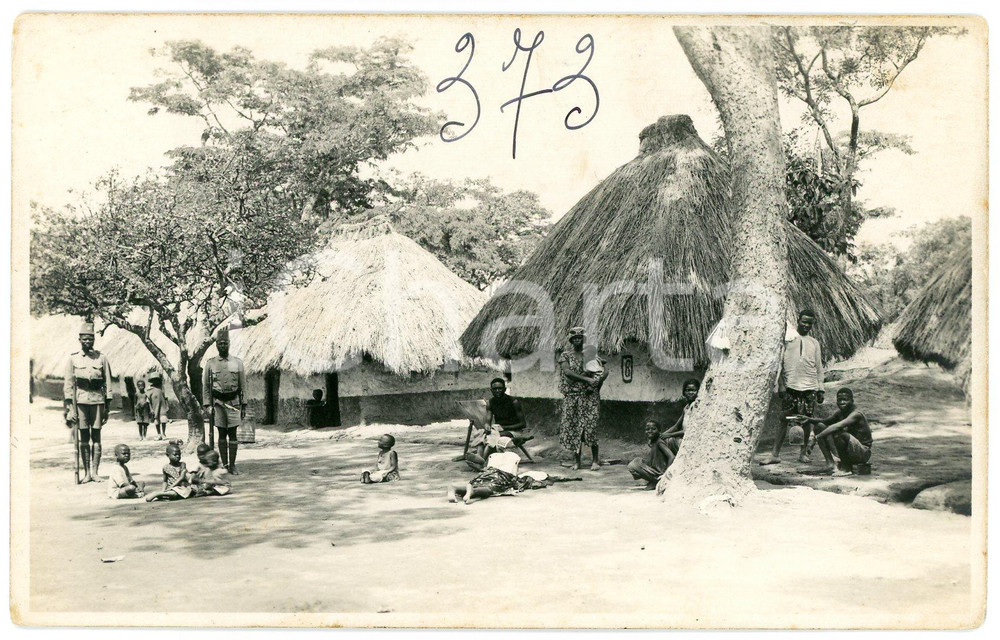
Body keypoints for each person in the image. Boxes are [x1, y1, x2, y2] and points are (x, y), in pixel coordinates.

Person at [761, 310, 829, 467]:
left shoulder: (814, 343)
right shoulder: (787, 340)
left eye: (809, 323)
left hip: (810, 387)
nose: (806, 325)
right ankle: (775, 455)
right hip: (791, 386)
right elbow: (778, 364)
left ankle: (803, 453)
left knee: (806, 422)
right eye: (804, 321)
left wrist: (820, 388)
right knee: (784, 419)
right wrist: (781, 384)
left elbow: (819, 367)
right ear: (798, 320)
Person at [64, 321, 113, 483]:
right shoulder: (73, 359)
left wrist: (107, 408)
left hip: (98, 401)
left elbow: (108, 383)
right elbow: (69, 386)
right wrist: (71, 409)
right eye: (85, 339)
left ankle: (95, 472)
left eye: (90, 339)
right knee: (84, 437)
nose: (88, 341)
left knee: (97, 437)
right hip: (81, 402)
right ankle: (86, 474)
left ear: (94, 340)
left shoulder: (102, 358)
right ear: (80, 340)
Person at [558, 327, 608, 471]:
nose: (577, 340)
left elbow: (604, 371)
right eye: (575, 338)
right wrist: (586, 379)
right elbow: (567, 372)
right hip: (572, 397)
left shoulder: (591, 354)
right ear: (571, 340)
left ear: (583, 339)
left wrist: (595, 385)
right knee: (574, 428)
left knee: (591, 427)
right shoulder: (566, 355)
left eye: (580, 337)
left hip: (589, 397)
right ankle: (577, 462)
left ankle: (595, 461)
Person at [202, 329, 247, 475]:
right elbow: (206, 387)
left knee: (232, 434)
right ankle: (225, 464)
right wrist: (207, 405)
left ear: (229, 344)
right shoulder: (211, 364)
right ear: (216, 345)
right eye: (220, 344)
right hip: (218, 403)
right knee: (221, 433)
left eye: (225, 343)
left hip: (233, 402)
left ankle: (232, 465)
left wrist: (243, 404)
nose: (223, 346)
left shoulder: (237, 363)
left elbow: (243, 385)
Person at [803, 388, 873, 476]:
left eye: (845, 400)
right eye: (840, 400)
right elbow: (826, 421)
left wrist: (816, 438)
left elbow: (838, 426)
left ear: (852, 400)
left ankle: (846, 469)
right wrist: (808, 419)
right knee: (819, 427)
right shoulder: (840, 412)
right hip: (848, 450)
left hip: (862, 453)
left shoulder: (856, 414)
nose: (842, 402)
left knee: (841, 434)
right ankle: (830, 464)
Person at [447, 450, 542, 504]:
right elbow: (513, 475)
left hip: (488, 472)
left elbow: (485, 468)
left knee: (477, 483)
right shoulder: (513, 458)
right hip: (500, 476)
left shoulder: (494, 456)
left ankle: (455, 488)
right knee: (489, 489)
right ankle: (472, 492)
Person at [627, 420, 677, 488]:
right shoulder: (654, 441)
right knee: (637, 461)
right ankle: (653, 480)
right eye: (647, 429)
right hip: (656, 469)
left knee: (633, 465)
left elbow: (671, 456)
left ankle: (655, 480)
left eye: (653, 429)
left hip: (660, 472)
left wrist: (666, 474)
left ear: (659, 431)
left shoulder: (659, 442)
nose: (650, 431)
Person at [660, 378, 700, 453]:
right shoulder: (686, 407)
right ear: (684, 392)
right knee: (661, 440)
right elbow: (676, 426)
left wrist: (669, 435)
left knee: (668, 441)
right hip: (684, 438)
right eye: (688, 390)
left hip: (690, 440)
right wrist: (662, 435)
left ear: (698, 392)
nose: (690, 393)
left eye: (693, 390)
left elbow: (688, 430)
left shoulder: (695, 406)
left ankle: (670, 459)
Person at [146, 373, 169, 441]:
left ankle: (163, 434)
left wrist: (167, 405)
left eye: (157, 380)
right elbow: (148, 400)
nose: (156, 381)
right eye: (154, 380)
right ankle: (159, 434)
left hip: (162, 406)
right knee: (157, 421)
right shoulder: (149, 389)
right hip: (155, 406)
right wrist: (151, 409)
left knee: (163, 420)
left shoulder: (161, 387)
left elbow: (165, 397)